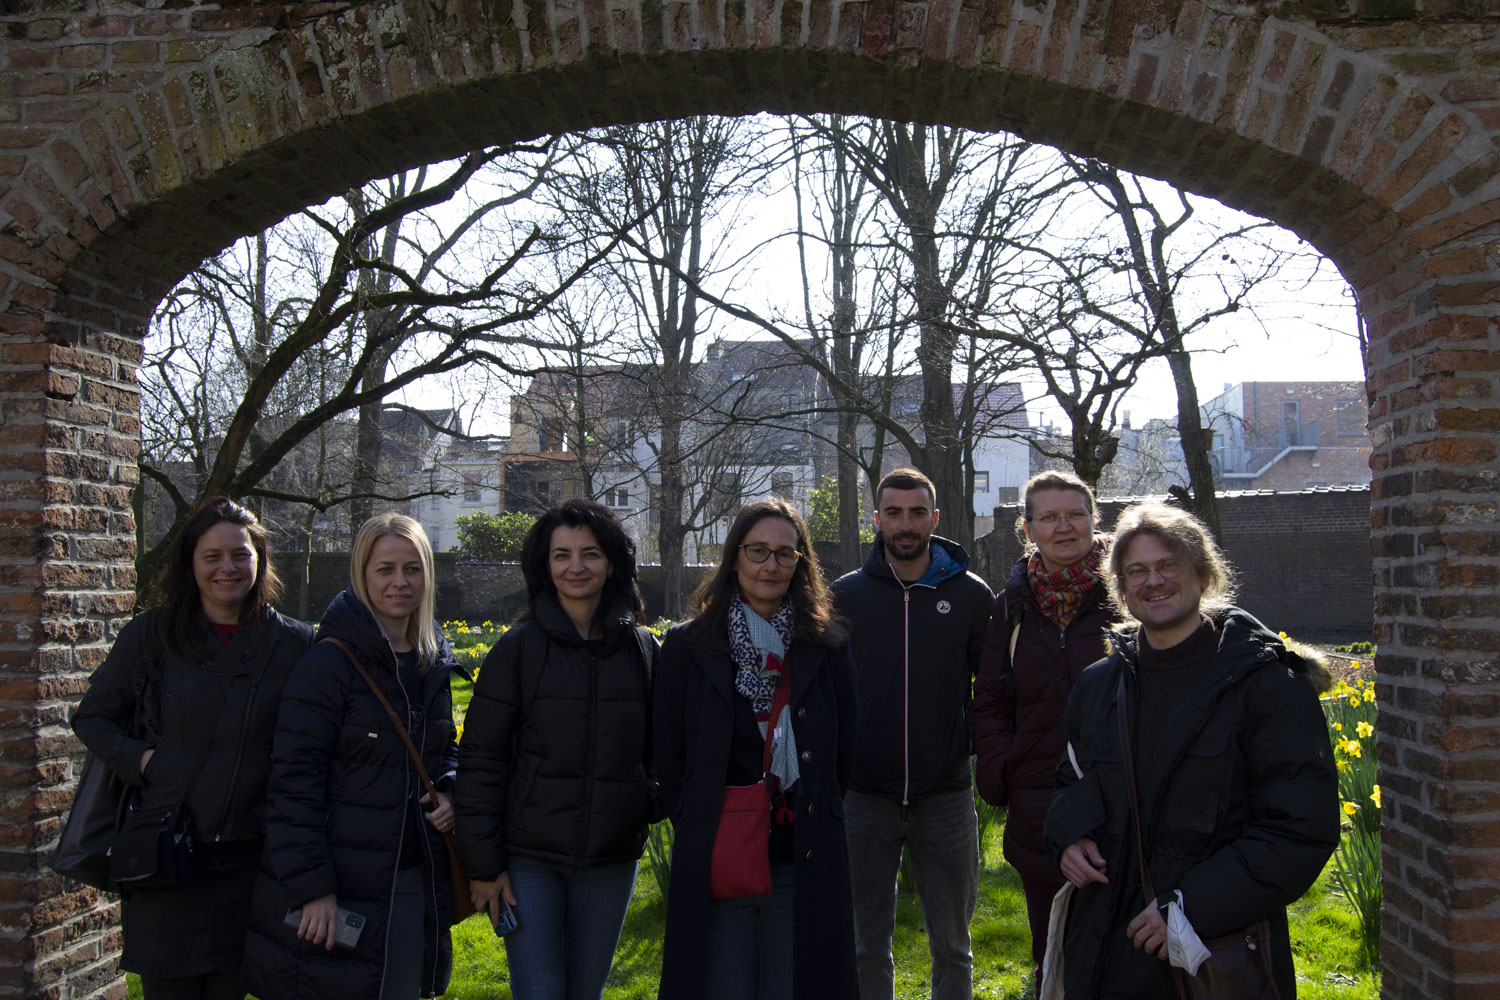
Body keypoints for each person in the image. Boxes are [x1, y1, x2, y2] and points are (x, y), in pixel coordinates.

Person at [1044, 502, 1339, 999]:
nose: (1152, 582)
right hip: (1101, 946)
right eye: (1136, 571)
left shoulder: (1266, 685)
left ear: (1203, 574)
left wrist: (1188, 909)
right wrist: (1068, 838)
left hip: (1210, 949)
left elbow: (1298, 829)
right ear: (1120, 589)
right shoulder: (1098, 686)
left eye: (1167, 566)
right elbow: (1071, 780)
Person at [71, 497, 314, 1000]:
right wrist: (142, 761)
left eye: (240, 555)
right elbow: (92, 717)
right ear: (190, 562)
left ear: (260, 560)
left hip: (250, 866)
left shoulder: (294, 645)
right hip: (167, 861)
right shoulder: (151, 635)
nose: (228, 568)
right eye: (212, 556)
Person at [242, 513, 461, 1000]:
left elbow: (444, 746)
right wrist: (312, 887)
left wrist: (449, 786)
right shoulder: (330, 662)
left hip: (407, 879)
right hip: (338, 886)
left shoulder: (431, 659)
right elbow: (294, 781)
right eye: (385, 569)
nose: (400, 583)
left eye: (412, 568)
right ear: (362, 575)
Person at [455, 499, 660, 1000]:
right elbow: (480, 761)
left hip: (611, 859)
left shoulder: (644, 652)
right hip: (530, 860)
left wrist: (643, 803)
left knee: (584, 993)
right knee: (541, 991)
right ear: (544, 566)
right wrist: (482, 867)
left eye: (589, 554)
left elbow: (669, 752)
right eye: (561, 555)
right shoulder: (517, 650)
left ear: (611, 562)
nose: (575, 567)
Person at [655, 498, 858, 1000]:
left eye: (785, 554)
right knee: (724, 985)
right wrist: (694, 814)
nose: (771, 565)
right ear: (734, 558)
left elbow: (844, 749)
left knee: (795, 986)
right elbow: (667, 749)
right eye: (758, 551)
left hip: (800, 855)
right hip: (720, 856)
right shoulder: (689, 646)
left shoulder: (825, 646)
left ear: (800, 563)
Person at [830, 468, 993, 1000]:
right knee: (864, 947)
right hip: (864, 798)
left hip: (943, 798)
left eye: (917, 512)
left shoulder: (971, 596)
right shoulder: (845, 596)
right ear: (876, 519)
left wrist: (962, 740)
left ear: (935, 519)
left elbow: (991, 688)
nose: (905, 524)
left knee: (953, 946)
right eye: (894, 513)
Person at [973, 471, 1113, 981]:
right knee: (1052, 955)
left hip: (1120, 801)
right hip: (1038, 801)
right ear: (1027, 529)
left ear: (1093, 520)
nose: (1064, 527)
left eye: (1076, 514)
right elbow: (989, 699)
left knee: (1124, 958)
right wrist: (999, 772)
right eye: (1049, 517)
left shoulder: (1127, 592)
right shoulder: (1010, 607)